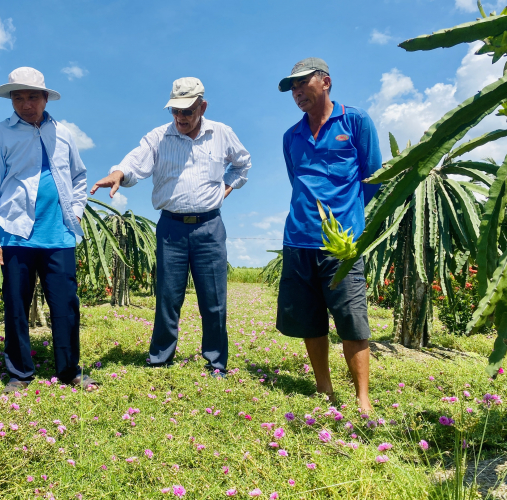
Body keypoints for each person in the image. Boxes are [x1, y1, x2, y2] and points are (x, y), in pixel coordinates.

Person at [91, 77, 251, 377]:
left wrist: (224, 189)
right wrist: (117, 173)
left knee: (214, 299)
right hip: (171, 228)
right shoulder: (158, 137)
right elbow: (135, 162)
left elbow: (243, 163)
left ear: (202, 107)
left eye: (187, 111)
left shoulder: (222, 134)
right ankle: (160, 359)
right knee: (167, 297)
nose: (180, 118)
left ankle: (216, 362)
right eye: (175, 111)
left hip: (210, 226)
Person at [0, 67, 97, 393]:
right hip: (15, 232)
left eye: (32, 96)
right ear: (11, 100)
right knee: (16, 305)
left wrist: (74, 212)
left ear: (45, 98)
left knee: (66, 306)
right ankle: (19, 373)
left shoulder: (63, 134)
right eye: (18, 97)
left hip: (59, 234)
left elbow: (79, 177)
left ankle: (70, 370)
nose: (26, 104)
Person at [276, 58, 382, 411]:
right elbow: (298, 182)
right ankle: (325, 389)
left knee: (352, 320)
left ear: (326, 82)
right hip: (298, 239)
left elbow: (373, 179)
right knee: (310, 318)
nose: (296, 92)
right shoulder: (291, 136)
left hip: (342, 243)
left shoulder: (355, 121)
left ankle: (362, 398)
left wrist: (348, 218)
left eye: (302, 83)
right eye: (292, 87)